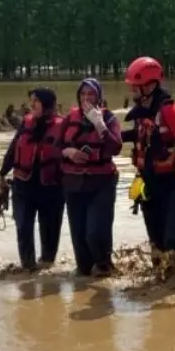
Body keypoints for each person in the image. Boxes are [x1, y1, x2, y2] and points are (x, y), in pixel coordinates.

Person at [122, 56, 175, 278]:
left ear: (151, 85)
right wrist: (106, 133)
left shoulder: (168, 111)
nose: (133, 91)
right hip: (149, 186)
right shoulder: (141, 112)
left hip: (174, 185)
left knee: (171, 239)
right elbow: (136, 135)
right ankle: (159, 282)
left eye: (136, 86)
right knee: (155, 242)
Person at [59, 78, 122, 277]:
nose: (86, 98)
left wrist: (100, 125)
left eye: (91, 94)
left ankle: (105, 267)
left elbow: (116, 148)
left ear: (98, 97)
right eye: (83, 94)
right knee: (79, 240)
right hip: (73, 184)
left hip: (101, 182)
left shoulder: (109, 118)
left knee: (95, 232)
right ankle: (85, 277)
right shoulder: (69, 119)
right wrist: (67, 151)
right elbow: (54, 147)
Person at [0, 87, 65, 271]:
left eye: (36, 101)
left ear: (48, 105)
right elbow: (13, 150)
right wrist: (2, 173)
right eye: (31, 101)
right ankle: (28, 269)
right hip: (23, 186)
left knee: (50, 232)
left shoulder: (62, 126)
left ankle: (47, 269)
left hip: (52, 188)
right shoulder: (26, 123)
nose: (32, 104)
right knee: (23, 227)